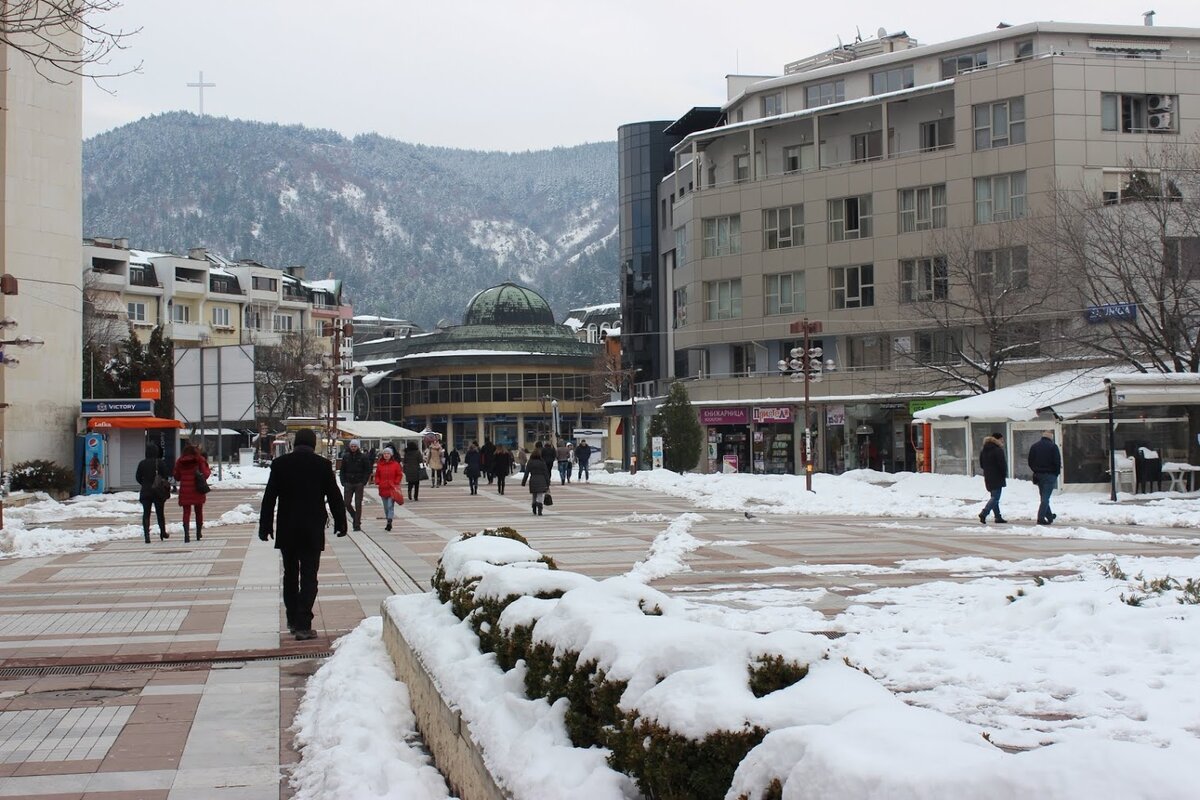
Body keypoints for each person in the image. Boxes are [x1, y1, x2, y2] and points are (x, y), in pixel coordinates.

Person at [258, 428, 347, 641]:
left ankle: (292, 618)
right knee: (309, 576)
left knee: (290, 575)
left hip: (288, 528)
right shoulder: (322, 465)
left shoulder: (281, 465)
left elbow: (269, 498)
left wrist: (265, 526)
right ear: (314, 444)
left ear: (295, 443)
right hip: (312, 530)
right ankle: (303, 624)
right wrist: (341, 523)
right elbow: (335, 497)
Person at [173, 443, 211, 543]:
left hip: (185, 490)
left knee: (186, 512)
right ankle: (198, 534)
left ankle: (186, 536)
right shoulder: (200, 460)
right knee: (199, 511)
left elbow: (177, 476)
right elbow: (206, 474)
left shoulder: (180, 461)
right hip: (198, 489)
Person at [134, 443, 170, 543]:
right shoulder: (160, 462)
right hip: (158, 491)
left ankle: (147, 536)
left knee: (146, 513)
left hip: (146, 491)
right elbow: (166, 476)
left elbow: (137, 477)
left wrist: (145, 484)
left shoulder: (142, 463)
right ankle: (163, 532)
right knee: (160, 513)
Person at [1028, 430, 1062, 525]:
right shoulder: (1053, 447)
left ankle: (1049, 516)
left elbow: (1030, 461)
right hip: (1050, 474)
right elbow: (1057, 461)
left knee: (1043, 496)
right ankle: (1041, 518)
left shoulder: (1034, 446)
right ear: (1051, 437)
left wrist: (1035, 470)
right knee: (1045, 498)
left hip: (1038, 475)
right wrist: (1056, 473)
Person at [339, 439, 373, 532]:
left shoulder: (363, 457)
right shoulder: (346, 456)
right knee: (347, 503)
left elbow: (367, 470)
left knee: (358, 504)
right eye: (352, 446)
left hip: (359, 483)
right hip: (348, 482)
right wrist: (343, 481)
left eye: (355, 446)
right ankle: (354, 516)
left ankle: (357, 524)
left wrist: (364, 481)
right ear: (350, 446)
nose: (353, 448)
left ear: (358, 447)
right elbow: (342, 470)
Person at [977, 432, 1008, 524]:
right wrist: (1003, 474)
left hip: (988, 476)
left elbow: (981, 464)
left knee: (993, 497)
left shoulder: (984, 450)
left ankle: (998, 516)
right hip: (997, 476)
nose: (1003, 441)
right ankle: (984, 512)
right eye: (1002, 439)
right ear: (997, 439)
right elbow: (1002, 464)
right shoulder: (998, 450)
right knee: (995, 497)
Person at [373, 447, 403, 531]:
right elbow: (377, 475)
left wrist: (396, 482)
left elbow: (399, 474)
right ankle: (388, 519)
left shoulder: (395, 464)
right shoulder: (380, 464)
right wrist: (378, 481)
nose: (386, 455)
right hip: (383, 488)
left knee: (390, 506)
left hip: (392, 488)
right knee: (386, 507)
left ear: (391, 455)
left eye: (388, 454)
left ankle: (389, 521)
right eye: (385, 453)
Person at [522, 444, 551, 515]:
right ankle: (540, 510)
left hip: (533, 479)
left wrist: (524, 481)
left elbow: (526, 472)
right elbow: (546, 473)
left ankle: (534, 507)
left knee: (534, 495)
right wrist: (548, 482)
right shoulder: (542, 462)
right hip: (542, 480)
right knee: (540, 495)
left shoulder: (530, 462)